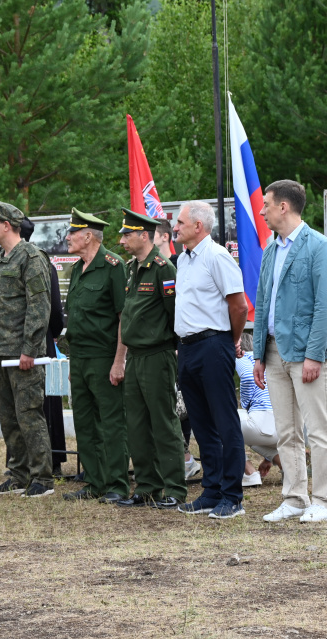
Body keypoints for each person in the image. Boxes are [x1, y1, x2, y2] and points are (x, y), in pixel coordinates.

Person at [252, 179, 327, 524]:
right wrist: (258, 354)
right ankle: (294, 498)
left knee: (318, 429)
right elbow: (262, 303)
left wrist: (314, 355)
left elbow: (326, 306)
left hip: (306, 354)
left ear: (283, 207)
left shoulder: (319, 247)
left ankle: (326, 501)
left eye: (266, 205)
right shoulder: (271, 249)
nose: (262, 211)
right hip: (274, 352)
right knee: (286, 431)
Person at [173, 200, 248, 519]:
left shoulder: (217, 256)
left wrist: (231, 340)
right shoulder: (183, 259)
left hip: (214, 344)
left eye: (179, 222)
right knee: (201, 423)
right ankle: (212, 490)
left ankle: (232, 496)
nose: (174, 227)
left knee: (224, 422)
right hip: (187, 348)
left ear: (198, 226)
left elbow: (239, 306)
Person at [0, 201, 54, 498]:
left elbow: (39, 306)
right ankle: (18, 474)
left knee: (29, 414)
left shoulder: (31, 257)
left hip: (21, 354)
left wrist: (30, 350)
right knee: (8, 417)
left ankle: (42, 478)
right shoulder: (0, 259)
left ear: (7, 225)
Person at [114, 208, 187, 508]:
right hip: (136, 357)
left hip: (157, 355)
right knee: (137, 424)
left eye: (127, 235)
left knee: (164, 423)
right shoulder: (132, 268)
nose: (121, 241)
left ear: (144, 236)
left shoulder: (163, 268)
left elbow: (174, 314)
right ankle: (147, 488)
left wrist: (172, 348)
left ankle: (175, 489)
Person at [61, 208, 130, 504]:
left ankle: (117, 483)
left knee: (111, 422)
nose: (68, 237)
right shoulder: (78, 268)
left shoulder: (114, 266)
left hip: (104, 357)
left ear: (88, 236)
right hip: (79, 358)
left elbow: (123, 317)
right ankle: (94, 480)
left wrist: (119, 361)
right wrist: (72, 360)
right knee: (85, 421)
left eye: (72, 232)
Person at [18, 218, 69, 476]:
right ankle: (44, 460)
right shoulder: (36, 261)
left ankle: (51, 460)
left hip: (37, 340)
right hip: (33, 339)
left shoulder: (37, 262)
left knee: (47, 400)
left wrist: (52, 335)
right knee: (31, 401)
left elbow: (54, 308)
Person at [154, 216, 200, 479]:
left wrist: (178, 344)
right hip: (161, 348)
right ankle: (178, 458)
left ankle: (185, 460)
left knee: (183, 405)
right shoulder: (149, 268)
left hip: (181, 346)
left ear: (164, 237)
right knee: (169, 405)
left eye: (152, 233)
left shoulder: (176, 264)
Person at [235, 334, 279, 485]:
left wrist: (245, 403)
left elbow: (248, 377)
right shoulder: (267, 359)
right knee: (254, 439)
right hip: (280, 427)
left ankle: (249, 473)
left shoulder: (242, 356)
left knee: (219, 421)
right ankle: (285, 466)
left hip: (261, 422)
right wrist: (267, 458)